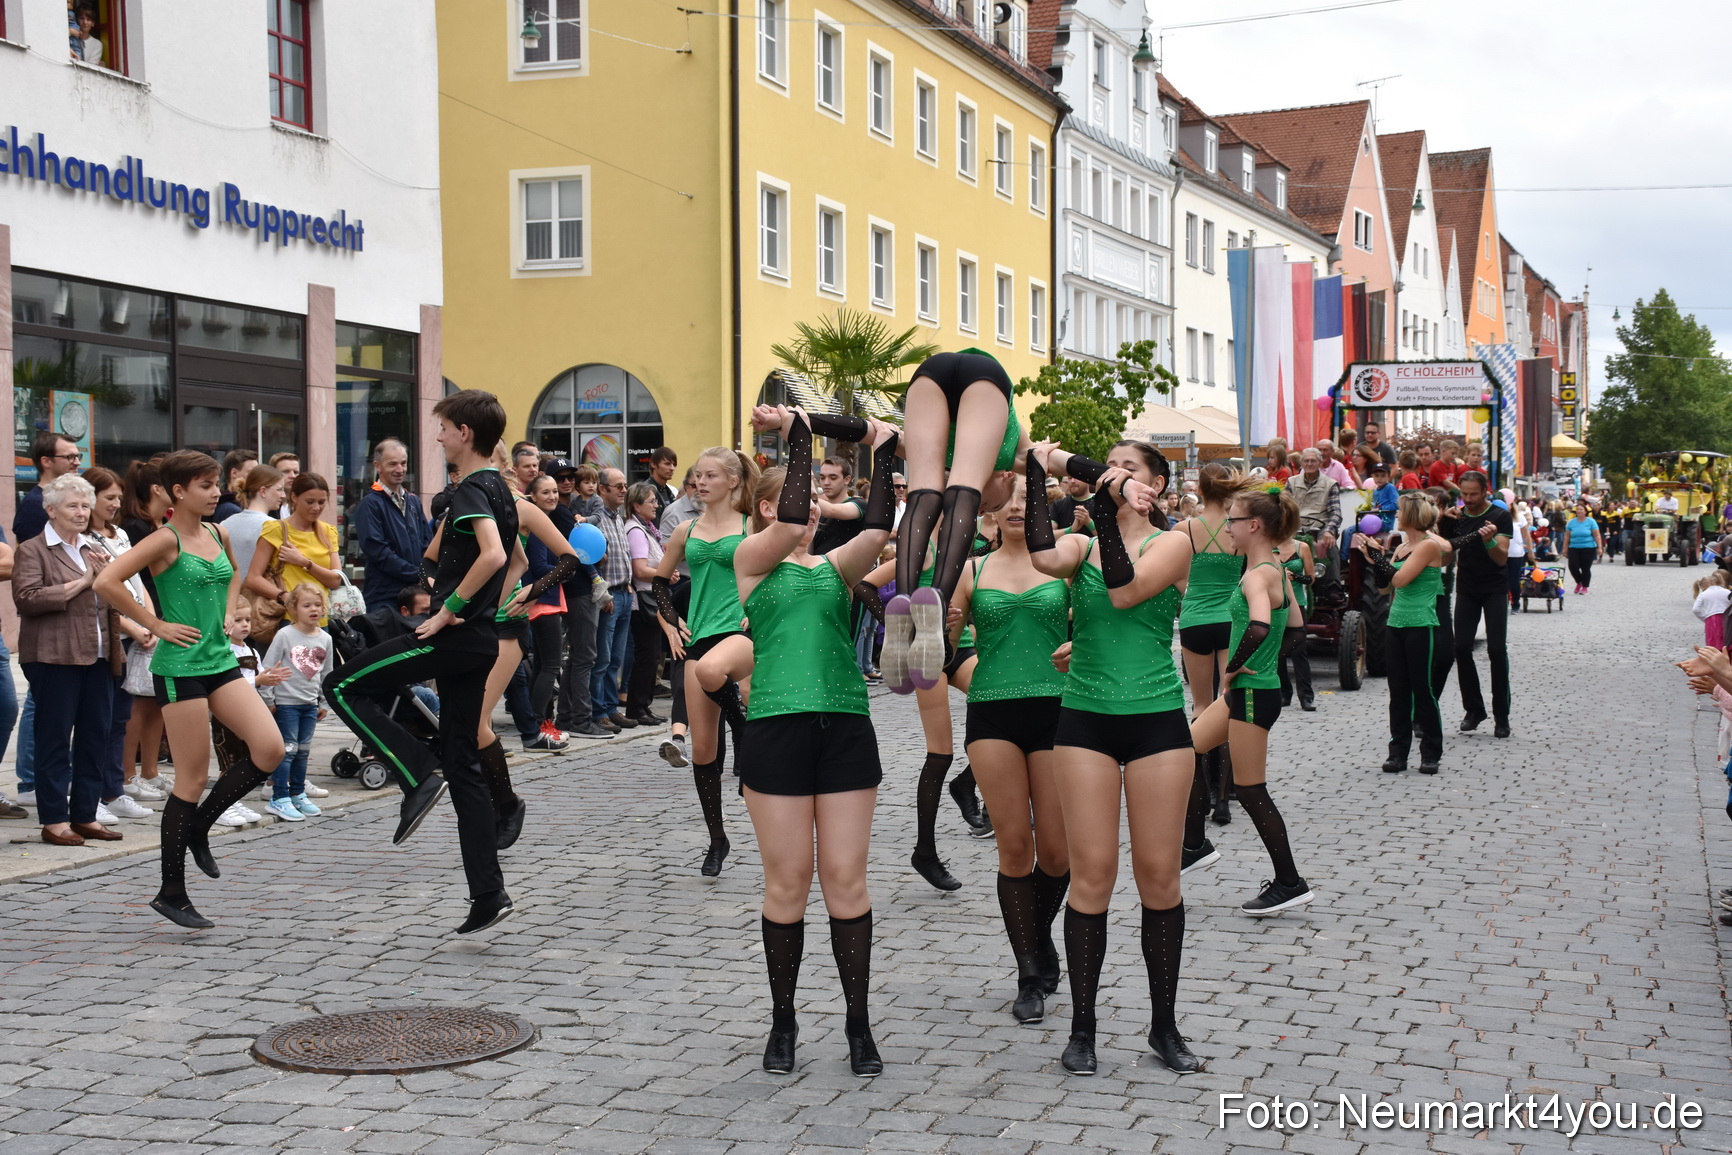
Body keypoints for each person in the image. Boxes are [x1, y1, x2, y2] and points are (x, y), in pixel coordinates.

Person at [730, 405, 898, 1077]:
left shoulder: (832, 570)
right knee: (788, 880)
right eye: (797, 500)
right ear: (765, 507)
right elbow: (797, 520)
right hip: (774, 726)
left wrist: (885, 453)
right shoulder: (751, 560)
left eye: (819, 502)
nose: (815, 512)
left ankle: (858, 1023)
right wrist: (801, 430)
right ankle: (784, 1019)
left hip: (845, 726)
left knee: (846, 880)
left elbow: (882, 526)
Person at [1026, 439, 1202, 1077]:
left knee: (1159, 877)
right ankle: (1082, 1027)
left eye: (1129, 469)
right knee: (1091, 874)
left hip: (1156, 719)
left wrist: (1104, 511)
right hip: (1085, 721)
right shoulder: (1080, 542)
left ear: (1154, 486)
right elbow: (1042, 553)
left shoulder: (1173, 543)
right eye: (1109, 465)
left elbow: (1127, 593)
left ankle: (1163, 1025)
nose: (1113, 474)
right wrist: (1035, 465)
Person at [322, 391, 518, 935]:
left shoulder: (475, 487)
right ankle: (488, 893)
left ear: (464, 433)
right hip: (478, 642)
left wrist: (448, 608)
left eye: (443, 429)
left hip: (454, 637)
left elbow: (496, 556)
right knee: (464, 767)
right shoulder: (497, 487)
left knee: (340, 686)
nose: (437, 438)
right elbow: (489, 559)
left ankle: (415, 773)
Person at [94, 451, 289, 928]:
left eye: (217, 483)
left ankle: (201, 826)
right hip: (179, 668)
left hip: (221, 660)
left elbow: (235, 575)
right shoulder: (164, 539)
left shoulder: (218, 532)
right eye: (206, 485)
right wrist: (155, 622)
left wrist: (227, 608)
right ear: (178, 491)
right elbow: (107, 580)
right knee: (191, 779)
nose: (216, 491)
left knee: (269, 749)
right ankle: (172, 891)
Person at [945, 477, 1072, 1024]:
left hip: (1058, 710)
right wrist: (939, 628)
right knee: (1014, 848)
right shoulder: (971, 570)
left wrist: (1081, 644)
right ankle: (1029, 970)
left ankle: (1038, 934)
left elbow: (1102, 624)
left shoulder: (1066, 564)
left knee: (1059, 854)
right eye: (1010, 501)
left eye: (1031, 500)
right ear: (990, 512)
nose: (1019, 507)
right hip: (992, 710)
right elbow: (934, 650)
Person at [1187, 483, 1314, 915]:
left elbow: (1261, 625)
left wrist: (1236, 665)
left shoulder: (1258, 574)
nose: (1228, 527)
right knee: (1185, 751)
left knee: (1251, 788)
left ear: (1254, 526)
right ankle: (1193, 845)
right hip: (1248, 692)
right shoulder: (1276, 567)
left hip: (1252, 695)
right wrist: (1261, 661)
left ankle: (1289, 881)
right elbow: (1295, 629)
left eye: (1233, 521)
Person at [651, 447, 762, 875]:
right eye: (697, 475)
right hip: (700, 635)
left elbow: (779, 567)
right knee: (702, 751)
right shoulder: (686, 529)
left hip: (743, 632)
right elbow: (660, 582)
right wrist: (672, 618)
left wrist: (760, 606)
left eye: (710, 475)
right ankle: (717, 839)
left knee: (722, 676)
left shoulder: (754, 524)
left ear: (733, 480)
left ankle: (747, 733)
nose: (700, 482)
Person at [15, 473, 121, 847]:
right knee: (55, 738)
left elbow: (112, 592)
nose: (81, 513)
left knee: (96, 737)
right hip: (53, 656)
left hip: (98, 653)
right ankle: (55, 819)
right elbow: (27, 599)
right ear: (50, 510)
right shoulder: (33, 549)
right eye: (72, 506)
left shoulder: (94, 546)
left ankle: (86, 815)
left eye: (85, 506)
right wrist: (83, 582)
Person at [80, 466, 158, 826]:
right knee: (99, 718)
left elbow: (138, 579)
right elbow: (101, 591)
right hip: (108, 635)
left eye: (117, 497)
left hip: (134, 634)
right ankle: (93, 792)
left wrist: (150, 619)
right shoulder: (83, 539)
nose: (114, 504)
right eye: (107, 497)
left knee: (120, 717)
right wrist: (131, 622)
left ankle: (115, 789)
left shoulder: (121, 534)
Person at [1357, 492, 1446, 775]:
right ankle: (1398, 752)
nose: (1395, 514)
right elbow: (1386, 588)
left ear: (1411, 515)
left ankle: (1431, 751)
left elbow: (1400, 578)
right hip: (1396, 624)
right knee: (1398, 692)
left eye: (1399, 511)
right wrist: (1375, 560)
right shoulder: (1402, 547)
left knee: (1422, 689)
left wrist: (1377, 556)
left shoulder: (1428, 546)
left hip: (1421, 624)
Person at [1177, 463, 1245, 828]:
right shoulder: (1239, 530)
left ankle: (1197, 789)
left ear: (1199, 490)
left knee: (1201, 705)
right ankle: (1223, 798)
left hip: (1194, 620)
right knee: (1228, 704)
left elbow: (1175, 576)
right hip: (1230, 619)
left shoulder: (1185, 528)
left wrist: (1193, 597)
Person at [1438, 472, 1513, 738]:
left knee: (1496, 649)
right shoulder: (1457, 517)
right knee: (1461, 648)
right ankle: (1474, 709)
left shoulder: (1500, 516)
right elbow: (1446, 560)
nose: (1467, 500)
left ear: (1485, 492)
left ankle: (1501, 715)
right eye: (1463, 494)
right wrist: (1443, 527)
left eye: (1473, 494)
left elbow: (1501, 558)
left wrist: (1489, 539)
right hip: (1468, 588)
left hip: (1494, 588)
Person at [116, 460, 172, 803]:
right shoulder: (136, 528)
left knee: (155, 704)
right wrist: (144, 623)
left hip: (161, 621)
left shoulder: (156, 525)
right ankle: (128, 774)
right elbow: (132, 582)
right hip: (145, 625)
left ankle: (150, 771)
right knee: (137, 704)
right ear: (157, 489)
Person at [258, 585, 333, 823]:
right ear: (293, 609)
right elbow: (269, 667)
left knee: (302, 752)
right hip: (286, 704)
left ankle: (297, 793)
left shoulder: (326, 638)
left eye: (317, 605)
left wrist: (323, 702)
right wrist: (268, 699)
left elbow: (326, 673)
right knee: (287, 751)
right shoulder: (285, 635)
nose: (314, 609)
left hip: (309, 705)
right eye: (307, 605)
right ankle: (279, 797)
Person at [246, 474, 343, 629]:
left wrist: (304, 562)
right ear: (294, 497)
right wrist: (285, 597)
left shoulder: (327, 531)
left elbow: (335, 580)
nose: (316, 507)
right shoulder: (276, 529)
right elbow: (253, 578)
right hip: (287, 618)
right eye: (309, 502)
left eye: (321, 502)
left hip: (320, 619)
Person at [354, 438, 433, 611]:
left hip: (415, 595)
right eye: (393, 464)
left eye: (403, 463)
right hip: (384, 596)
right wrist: (416, 574)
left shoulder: (413, 501)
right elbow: (378, 552)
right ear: (378, 466)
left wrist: (424, 574)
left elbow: (428, 543)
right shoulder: (370, 504)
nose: (400, 470)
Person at [589, 467, 638, 732]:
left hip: (624, 593)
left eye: (624, 485)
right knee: (603, 658)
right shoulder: (597, 519)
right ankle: (599, 712)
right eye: (617, 486)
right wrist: (604, 593)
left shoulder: (619, 518)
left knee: (616, 658)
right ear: (602, 489)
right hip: (608, 596)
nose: (623, 490)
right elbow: (588, 557)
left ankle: (610, 708)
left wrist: (628, 584)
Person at [623, 481, 668, 727]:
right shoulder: (637, 531)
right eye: (651, 501)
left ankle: (644, 706)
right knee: (646, 656)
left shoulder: (647, 528)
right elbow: (640, 570)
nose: (656, 504)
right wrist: (664, 571)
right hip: (644, 601)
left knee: (651, 656)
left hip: (653, 597)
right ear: (636, 505)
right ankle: (637, 707)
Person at [222, 465, 287, 588]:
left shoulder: (225, 524)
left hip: (229, 598)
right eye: (279, 489)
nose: (283, 495)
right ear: (263, 491)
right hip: (262, 599)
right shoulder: (273, 526)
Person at [15, 430, 82, 544]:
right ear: (46, 462)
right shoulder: (34, 504)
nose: (77, 462)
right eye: (70, 457)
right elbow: (32, 554)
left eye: (78, 456)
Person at [1276, 533, 1315, 712]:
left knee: (1299, 650)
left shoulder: (1302, 547)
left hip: (1297, 603)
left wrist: (1294, 577)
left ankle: (1306, 696)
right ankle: (1284, 693)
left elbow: (1311, 578)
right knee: (1278, 651)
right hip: (1275, 604)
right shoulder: (1269, 546)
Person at [1564, 499, 1603, 595]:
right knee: (1573, 566)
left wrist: (1599, 547)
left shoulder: (1591, 521)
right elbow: (1567, 536)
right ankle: (1579, 582)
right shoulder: (1571, 522)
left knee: (1585, 568)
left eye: (1581, 509)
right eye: (1577, 509)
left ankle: (1585, 587)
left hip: (1588, 547)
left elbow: (1597, 535)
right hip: (1574, 547)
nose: (1579, 511)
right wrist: (1565, 548)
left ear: (1585, 511)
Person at [211, 449, 258, 524]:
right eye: (251, 472)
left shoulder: (227, 504)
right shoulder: (230, 509)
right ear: (234, 473)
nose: (256, 477)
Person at [649, 447, 679, 522]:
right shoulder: (646, 491)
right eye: (667, 464)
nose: (672, 468)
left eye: (674, 464)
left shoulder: (669, 491)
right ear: (653, 464)